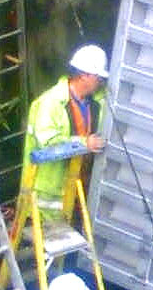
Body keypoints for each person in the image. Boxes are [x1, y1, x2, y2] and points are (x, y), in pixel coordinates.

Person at [23, 43, 109, 215]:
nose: (100, 81)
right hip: (47, 194)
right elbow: (47, 145)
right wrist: (84, 144)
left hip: (75, 187)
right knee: (46, 237)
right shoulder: (50, 103)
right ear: (84, 75)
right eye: (97, 76)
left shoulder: (94, 103)